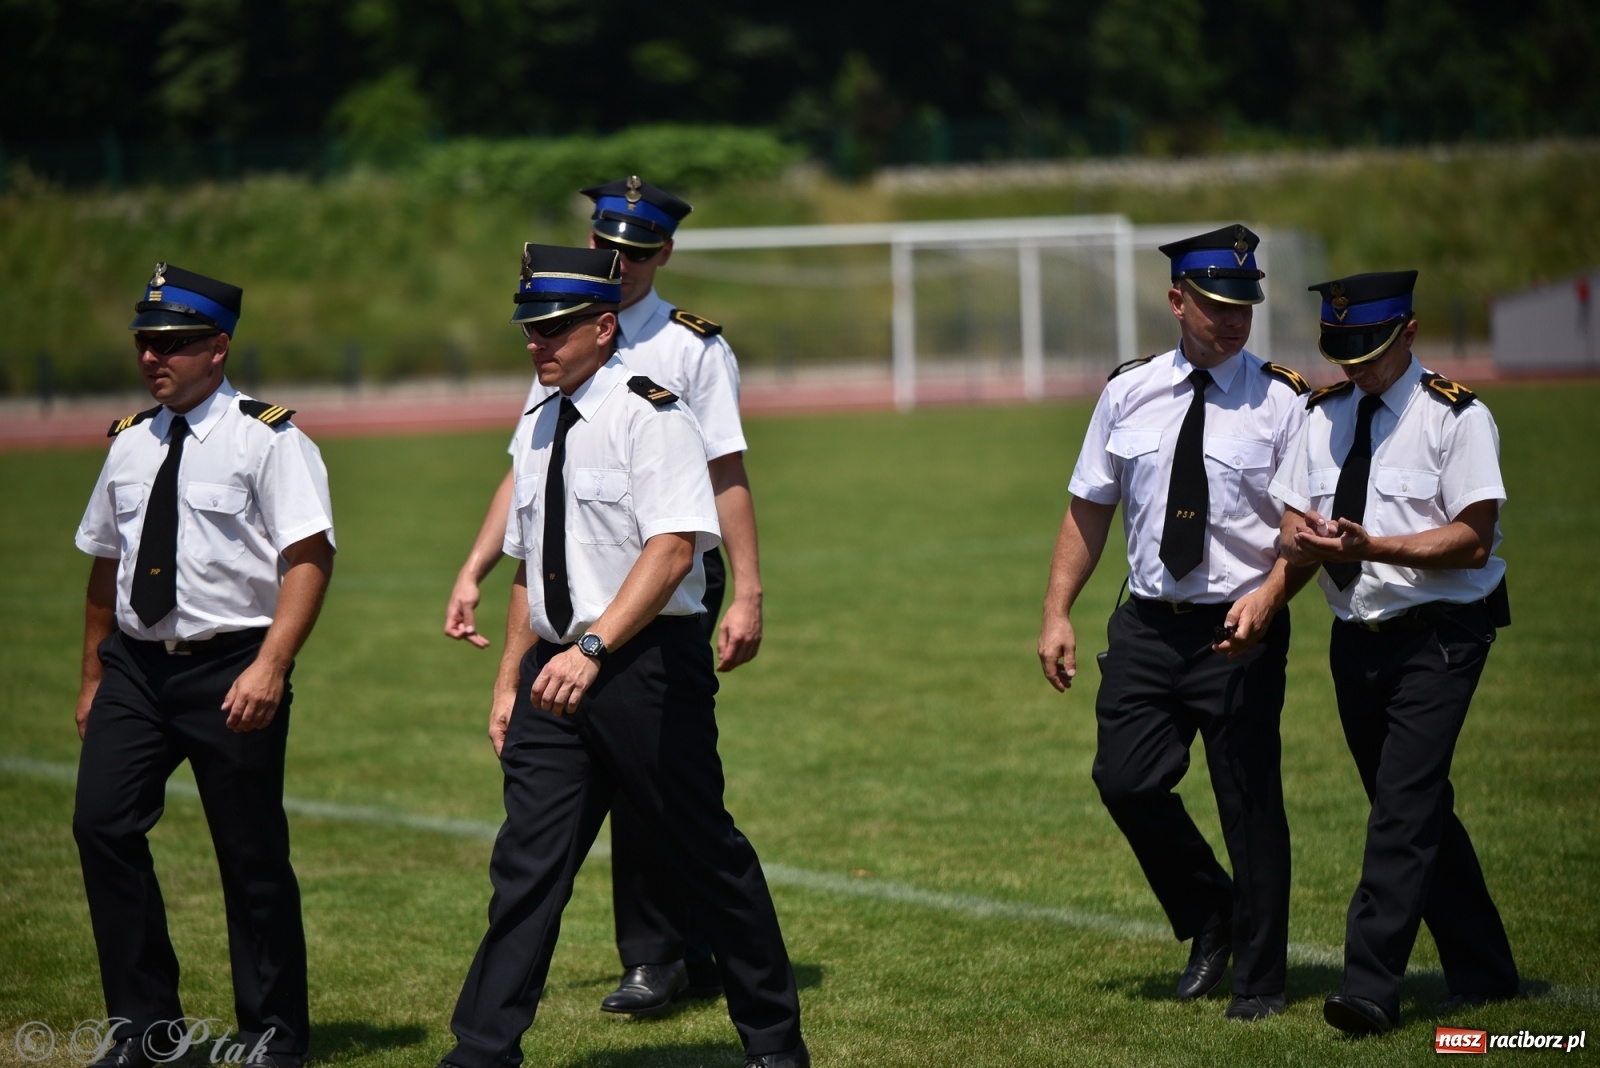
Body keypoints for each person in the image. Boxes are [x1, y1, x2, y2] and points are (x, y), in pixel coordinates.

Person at [437, 245, 807, 1068]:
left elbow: (674, 550)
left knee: (704, 855)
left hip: (645, 669)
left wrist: (597, 648)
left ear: (604, 329)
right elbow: (532, 567)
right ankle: (481, 1051)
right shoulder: (538, 420)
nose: (539, 344)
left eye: (557, 328)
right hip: (554, 676)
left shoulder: (654, 412)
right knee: (526, 870)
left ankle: (775, 1045)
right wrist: (511, 682)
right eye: (531, 329)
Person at [1037, 225, 1313, 1021]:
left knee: (1248, 803)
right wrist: (1057, 610)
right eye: (1216, 305)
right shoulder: (1127, 392)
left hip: (1242, 624)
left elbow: (1306, 529)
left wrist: (1269, 598)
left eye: (1244, 305)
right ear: (1177, 301)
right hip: (1150, 626)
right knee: (1123, 780)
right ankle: (1209, 915)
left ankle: (1259, 984)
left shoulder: (1285, 400)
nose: (1233, 319)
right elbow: (1090, 507)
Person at [72, 264, 335, 1068]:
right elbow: (106, 565)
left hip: (233, 668)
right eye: (148, 343)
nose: (156, 359)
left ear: (218, 348)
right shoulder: (127, 443)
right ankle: (148, 1032)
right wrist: (91, 676)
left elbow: (309, 558)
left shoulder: (270, 437)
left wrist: (272, 666)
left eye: (175, 344)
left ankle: (273, 1037)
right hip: (136, 671)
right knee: (101, 826)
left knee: (250, 854)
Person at [1270, 270, 1518, 1036]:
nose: (1354, 367)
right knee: (1412, 809)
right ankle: (1485, 973)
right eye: (1342, 350)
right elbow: (1287, 520)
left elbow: (1473, 539)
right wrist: (1301, 539)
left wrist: (1373, 544)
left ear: (1408, 332)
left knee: (1400, 815)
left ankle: (1370, 988)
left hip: (1441, 634)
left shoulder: (1458, 420)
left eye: (1368, 350)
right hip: (1357, 638)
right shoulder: (1321, 414)